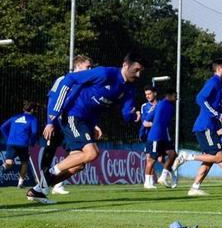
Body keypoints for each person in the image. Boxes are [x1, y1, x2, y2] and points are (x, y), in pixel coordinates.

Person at [31, 53, 143, 204]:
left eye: (141, 71)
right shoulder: (105, 73)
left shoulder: (130, 89)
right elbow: (69, 79)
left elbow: (125, 113)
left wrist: (133, 115)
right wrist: (52, 116)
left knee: (78, 165)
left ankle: (39, 190)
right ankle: (48, 177)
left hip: (86, 122)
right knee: (92, 153)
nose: (138, 74)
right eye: (136, 70)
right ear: (125, 65)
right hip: (73, 115)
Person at [172, 58, 222, 197]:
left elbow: (219, 108)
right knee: (220, 155)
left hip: (210, 127)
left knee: (209, 161)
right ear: (219, 69)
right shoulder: (214, 82)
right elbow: (200, 98)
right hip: (206, 126)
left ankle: (195, 187)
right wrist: (215, 114)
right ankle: (186, 157)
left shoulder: (219, 85)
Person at [41, 54, 92, 195]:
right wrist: (49, 123)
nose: (90, 69)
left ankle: (53, 184)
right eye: (88, 66)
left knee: (79, 161)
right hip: (57, 124)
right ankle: (41, 186)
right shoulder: (63, 80)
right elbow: (52, 101)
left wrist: (93, 124)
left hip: (71, 124)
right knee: (48, 154)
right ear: (78, 66)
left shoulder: (84, 84)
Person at [144, 90, 178, 189]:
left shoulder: (171, 107)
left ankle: (163, 177)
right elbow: (146, 120)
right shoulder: (159, 105)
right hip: (155, 136)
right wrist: (154, 125)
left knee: (172, 153)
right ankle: (147, 182)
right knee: (152, 159)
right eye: (175, 95)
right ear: (168, 95)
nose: (176, 98)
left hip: (164, 137)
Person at [1, 102, 39, 188]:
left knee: (9, 162)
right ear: (32, 110)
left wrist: (8, 138)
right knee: (24, 163)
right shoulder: (33, 119)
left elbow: (2, 127)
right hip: (23, 144)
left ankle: (2, 167)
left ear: (23, 109)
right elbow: (35, 132)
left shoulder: (14, 117)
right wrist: (32, 143)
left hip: (11, 143)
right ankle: (20, 184)